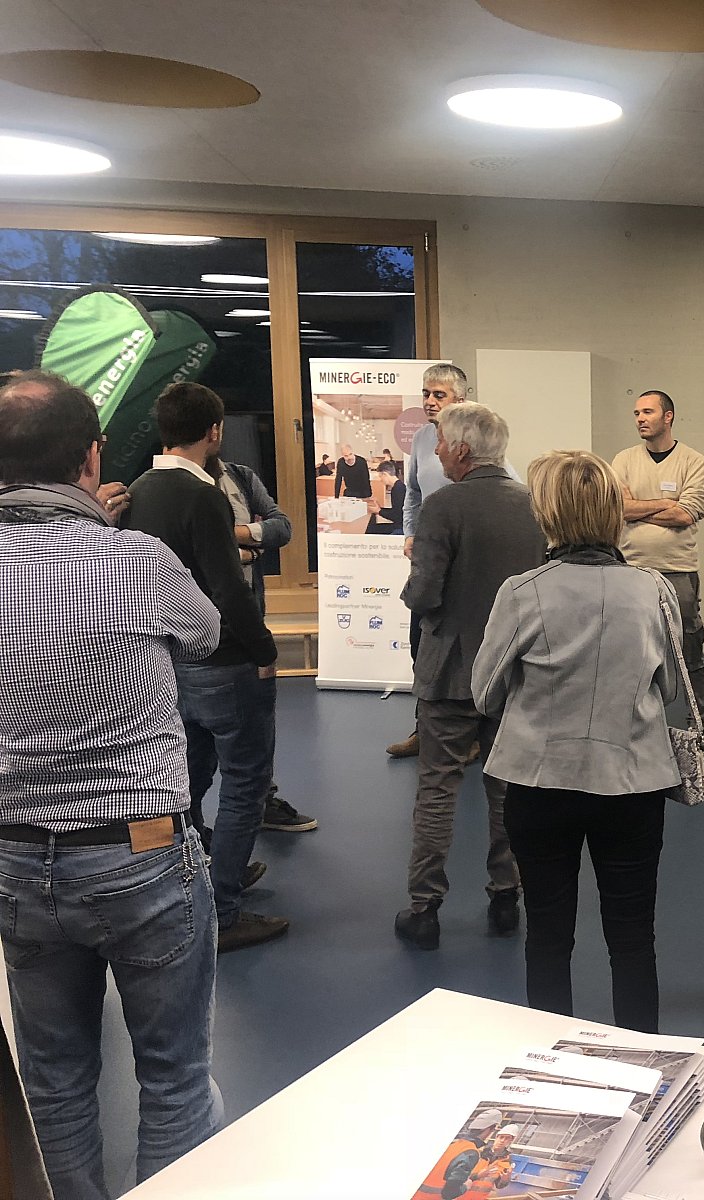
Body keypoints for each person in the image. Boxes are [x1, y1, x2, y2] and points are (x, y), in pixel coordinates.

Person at [0, 370, 224, 1199]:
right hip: (143, 854)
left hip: (16, 859)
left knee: (55, 1082)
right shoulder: (137, 560)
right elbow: (205, 635)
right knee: (174, 1079)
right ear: (93, 457)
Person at [475, 450, 680, 1033]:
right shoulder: (654, 590)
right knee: (633, 938)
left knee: (547, 933)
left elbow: (484, 692)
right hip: (633, 783)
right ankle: (642, 1061)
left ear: (548, 513)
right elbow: (668, 687)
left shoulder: (521, 591)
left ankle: (553, 1059)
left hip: (540, 783)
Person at [124, 382, 289, 952]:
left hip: (168, 661)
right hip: (225, 663)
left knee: (189, 779)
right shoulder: (204, 495)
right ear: (214, 431)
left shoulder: (137, 493)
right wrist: (264, 650)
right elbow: (227, 589)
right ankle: (226, 908)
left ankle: (190, 889)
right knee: (245, 783)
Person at [395, 402, 545, 950]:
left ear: (461, 449)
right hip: (514, 671)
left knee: (437, 787)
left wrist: (410, 593)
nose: (435, 450)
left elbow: (425, 593)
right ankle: (507, 897)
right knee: (506, 788)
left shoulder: (442, 506)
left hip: (451, 672)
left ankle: (424, 909)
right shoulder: (534, 505)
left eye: (440, 442)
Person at [211, 453, 319, 835]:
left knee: (258, 722)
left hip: (248, 622)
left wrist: (238, 536)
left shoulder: (240, 476)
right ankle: (193, 832)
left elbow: (281, 527)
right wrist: (242, 548)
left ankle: (262, 800)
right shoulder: (170, 487)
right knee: (197, 742)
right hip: (195, 629)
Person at [613, 388, 704, 723]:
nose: (640, 419)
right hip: (632, 570)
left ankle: (698, 720)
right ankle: (637, 721)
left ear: (668, 417)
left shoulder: (692, 461)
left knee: (689, 649)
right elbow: (619, 509)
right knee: (634, 650)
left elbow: (686, 514)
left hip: (678, 570)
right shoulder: (624, 460)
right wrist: (665, 503)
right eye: (637, 413)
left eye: (648, 412)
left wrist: (638, 508)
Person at [390, 362, 471, 758]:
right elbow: (413, 494)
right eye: (426, 394)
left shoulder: (479, 434)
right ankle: (425, 730)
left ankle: (471, 736)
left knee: (464, 650)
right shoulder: (422, 438)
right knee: (419, 643)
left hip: (466, 562)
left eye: (439, 394)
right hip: (428, 559)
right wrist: (410, 534)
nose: (429, 401)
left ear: (461, 399)